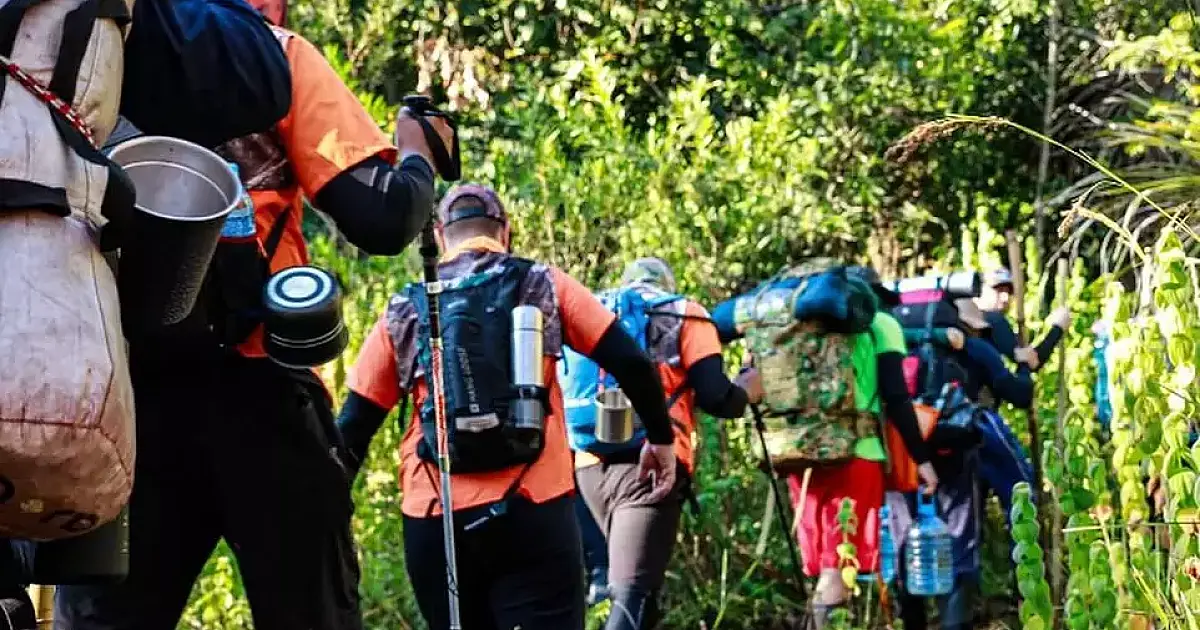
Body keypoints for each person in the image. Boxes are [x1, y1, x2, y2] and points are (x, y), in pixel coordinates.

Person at [53, 11, 455, 629]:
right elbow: (383, 215)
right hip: (262, 392)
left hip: (119, 402)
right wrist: (417, 153)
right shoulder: (275, 55)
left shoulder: (70, 53)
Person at [337, 184, 677, 630]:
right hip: (533, 508)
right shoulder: (543, 283)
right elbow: (631, 361)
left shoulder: (406, 308)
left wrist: (322, 521)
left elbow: (353, 427)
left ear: (440, 236)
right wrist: (661, 439)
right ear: (507, 232)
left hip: (437, 523)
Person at [713, 264, 938, 628]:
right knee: (839, 573)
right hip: (856, 455)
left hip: (798, 450)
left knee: (825, 570)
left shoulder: (790, 326)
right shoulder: (881, 325)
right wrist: (922, 459)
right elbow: (897, 399)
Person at [564, 258, 764, 630]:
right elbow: (717, 397)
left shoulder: (592, 309)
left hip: (587, 468)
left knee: (639, 592)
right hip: (649, 467)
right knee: (631, 597)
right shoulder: (685, 314)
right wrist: (748, 391)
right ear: (666, 283)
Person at [888, 298, 1036, 630]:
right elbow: (1021, 394)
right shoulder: (973, 349)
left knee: (903, 542)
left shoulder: (893, 344)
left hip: (903, 450)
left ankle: (910, 622)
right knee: (956, 542)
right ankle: (955, 623)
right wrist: (1024, 364)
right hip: (952, 451)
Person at [976, 268, 1070, 371]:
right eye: (998, 290)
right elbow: (1032, 363)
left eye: (1009, 292)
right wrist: (1058, 328)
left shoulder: (968, 318)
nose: (1006, 298)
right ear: (979, 290)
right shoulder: (994, 320)